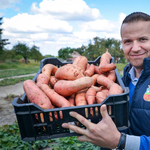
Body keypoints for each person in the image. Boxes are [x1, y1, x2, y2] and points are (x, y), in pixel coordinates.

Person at [62, 11, 150, 150]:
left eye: (143, 39)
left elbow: (118, 140)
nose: (135, 48)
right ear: (122, 44)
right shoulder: (121, 81)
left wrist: (120, 142)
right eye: (128, 41)